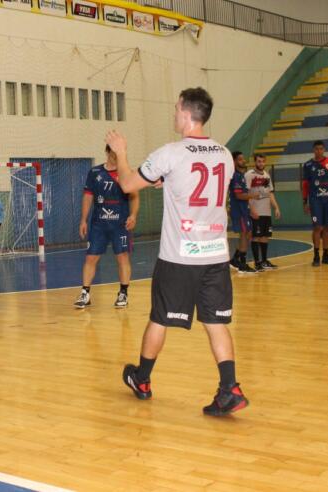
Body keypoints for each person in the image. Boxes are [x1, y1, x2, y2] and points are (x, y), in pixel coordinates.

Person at [109, 87, 249, 416]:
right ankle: (230, 387)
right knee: (216, 323)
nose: (173, 114)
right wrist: (167, 182)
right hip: (215, 255)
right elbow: (195, 186)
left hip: (180, 257)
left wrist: (121, 153)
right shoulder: (225, 155)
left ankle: (142, 380)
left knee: (160, 319)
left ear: (187, 115)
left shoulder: (171, 153)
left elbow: (128, 185)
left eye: (176, 109)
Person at [73, 145, 139, 309]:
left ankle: (123, 293)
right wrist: (83, 220)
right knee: (90, 257)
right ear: (108, 152)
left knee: (122, 257)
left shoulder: (127, 173)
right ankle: (85, 293)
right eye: (114, 151)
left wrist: (133, 215)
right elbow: (88, 197)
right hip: (98, 224)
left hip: (120, 224)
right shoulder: (95, 173)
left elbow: (135, 197)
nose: (117, 154)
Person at [245, 154, 281, 271]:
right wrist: (251, 209)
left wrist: (276, 207)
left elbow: (270, 193)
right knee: (256, 237)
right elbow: (246, 194)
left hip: (266, 212)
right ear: (255, 162)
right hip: (256, 211)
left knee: (265, 236)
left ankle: (264, 261)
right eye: (259, 161)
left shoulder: (266, 176)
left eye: (263, 161)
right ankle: (257, 263)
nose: (261, 163)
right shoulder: (249, 175)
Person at [229, 152, 261, 274]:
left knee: (248, 234)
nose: (243, 161)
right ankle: (242, 264)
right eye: (240, 159)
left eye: (243, 158)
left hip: (244, 209)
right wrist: (253, 195)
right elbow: (238, 195)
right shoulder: (235, 176)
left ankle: (235, 259)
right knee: (244, 234)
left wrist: (249, 209)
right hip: (239, 210)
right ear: (234, 161)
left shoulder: (241, 175)